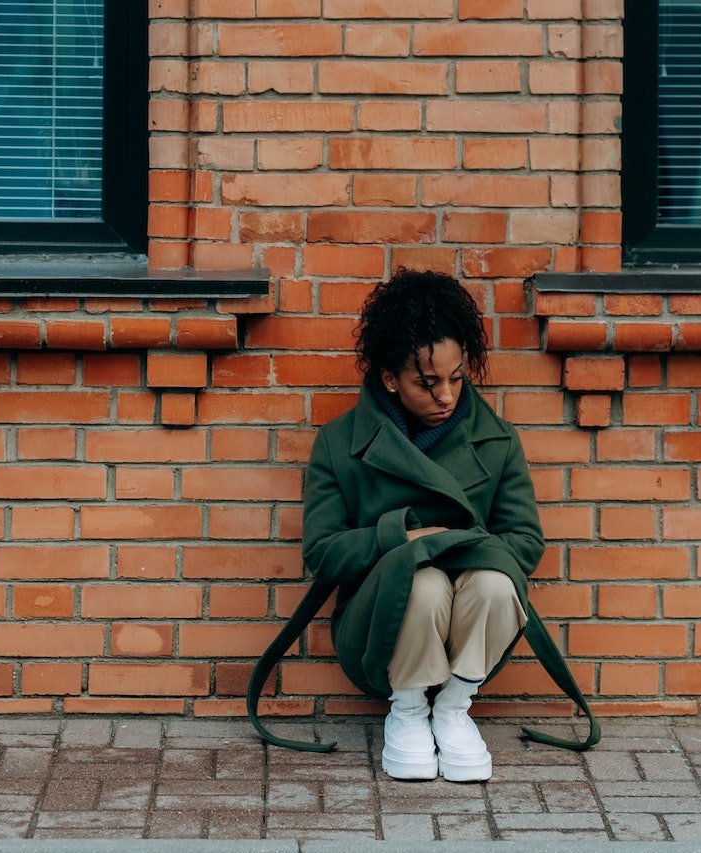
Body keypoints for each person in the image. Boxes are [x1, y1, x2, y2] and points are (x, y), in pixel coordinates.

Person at [246, 268, 598, 779]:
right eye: (427, 383)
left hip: (470, 629)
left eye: (457, 378)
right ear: (391, 377)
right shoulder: (341, 442)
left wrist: (455, 546)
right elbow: (322, 553)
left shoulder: (496, 439)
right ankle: (408, 710)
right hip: (377, 632)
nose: (447, 396)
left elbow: (524, 541)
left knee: (499, 584)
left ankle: (455, 709)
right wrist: (402, 540)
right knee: (424, 582)